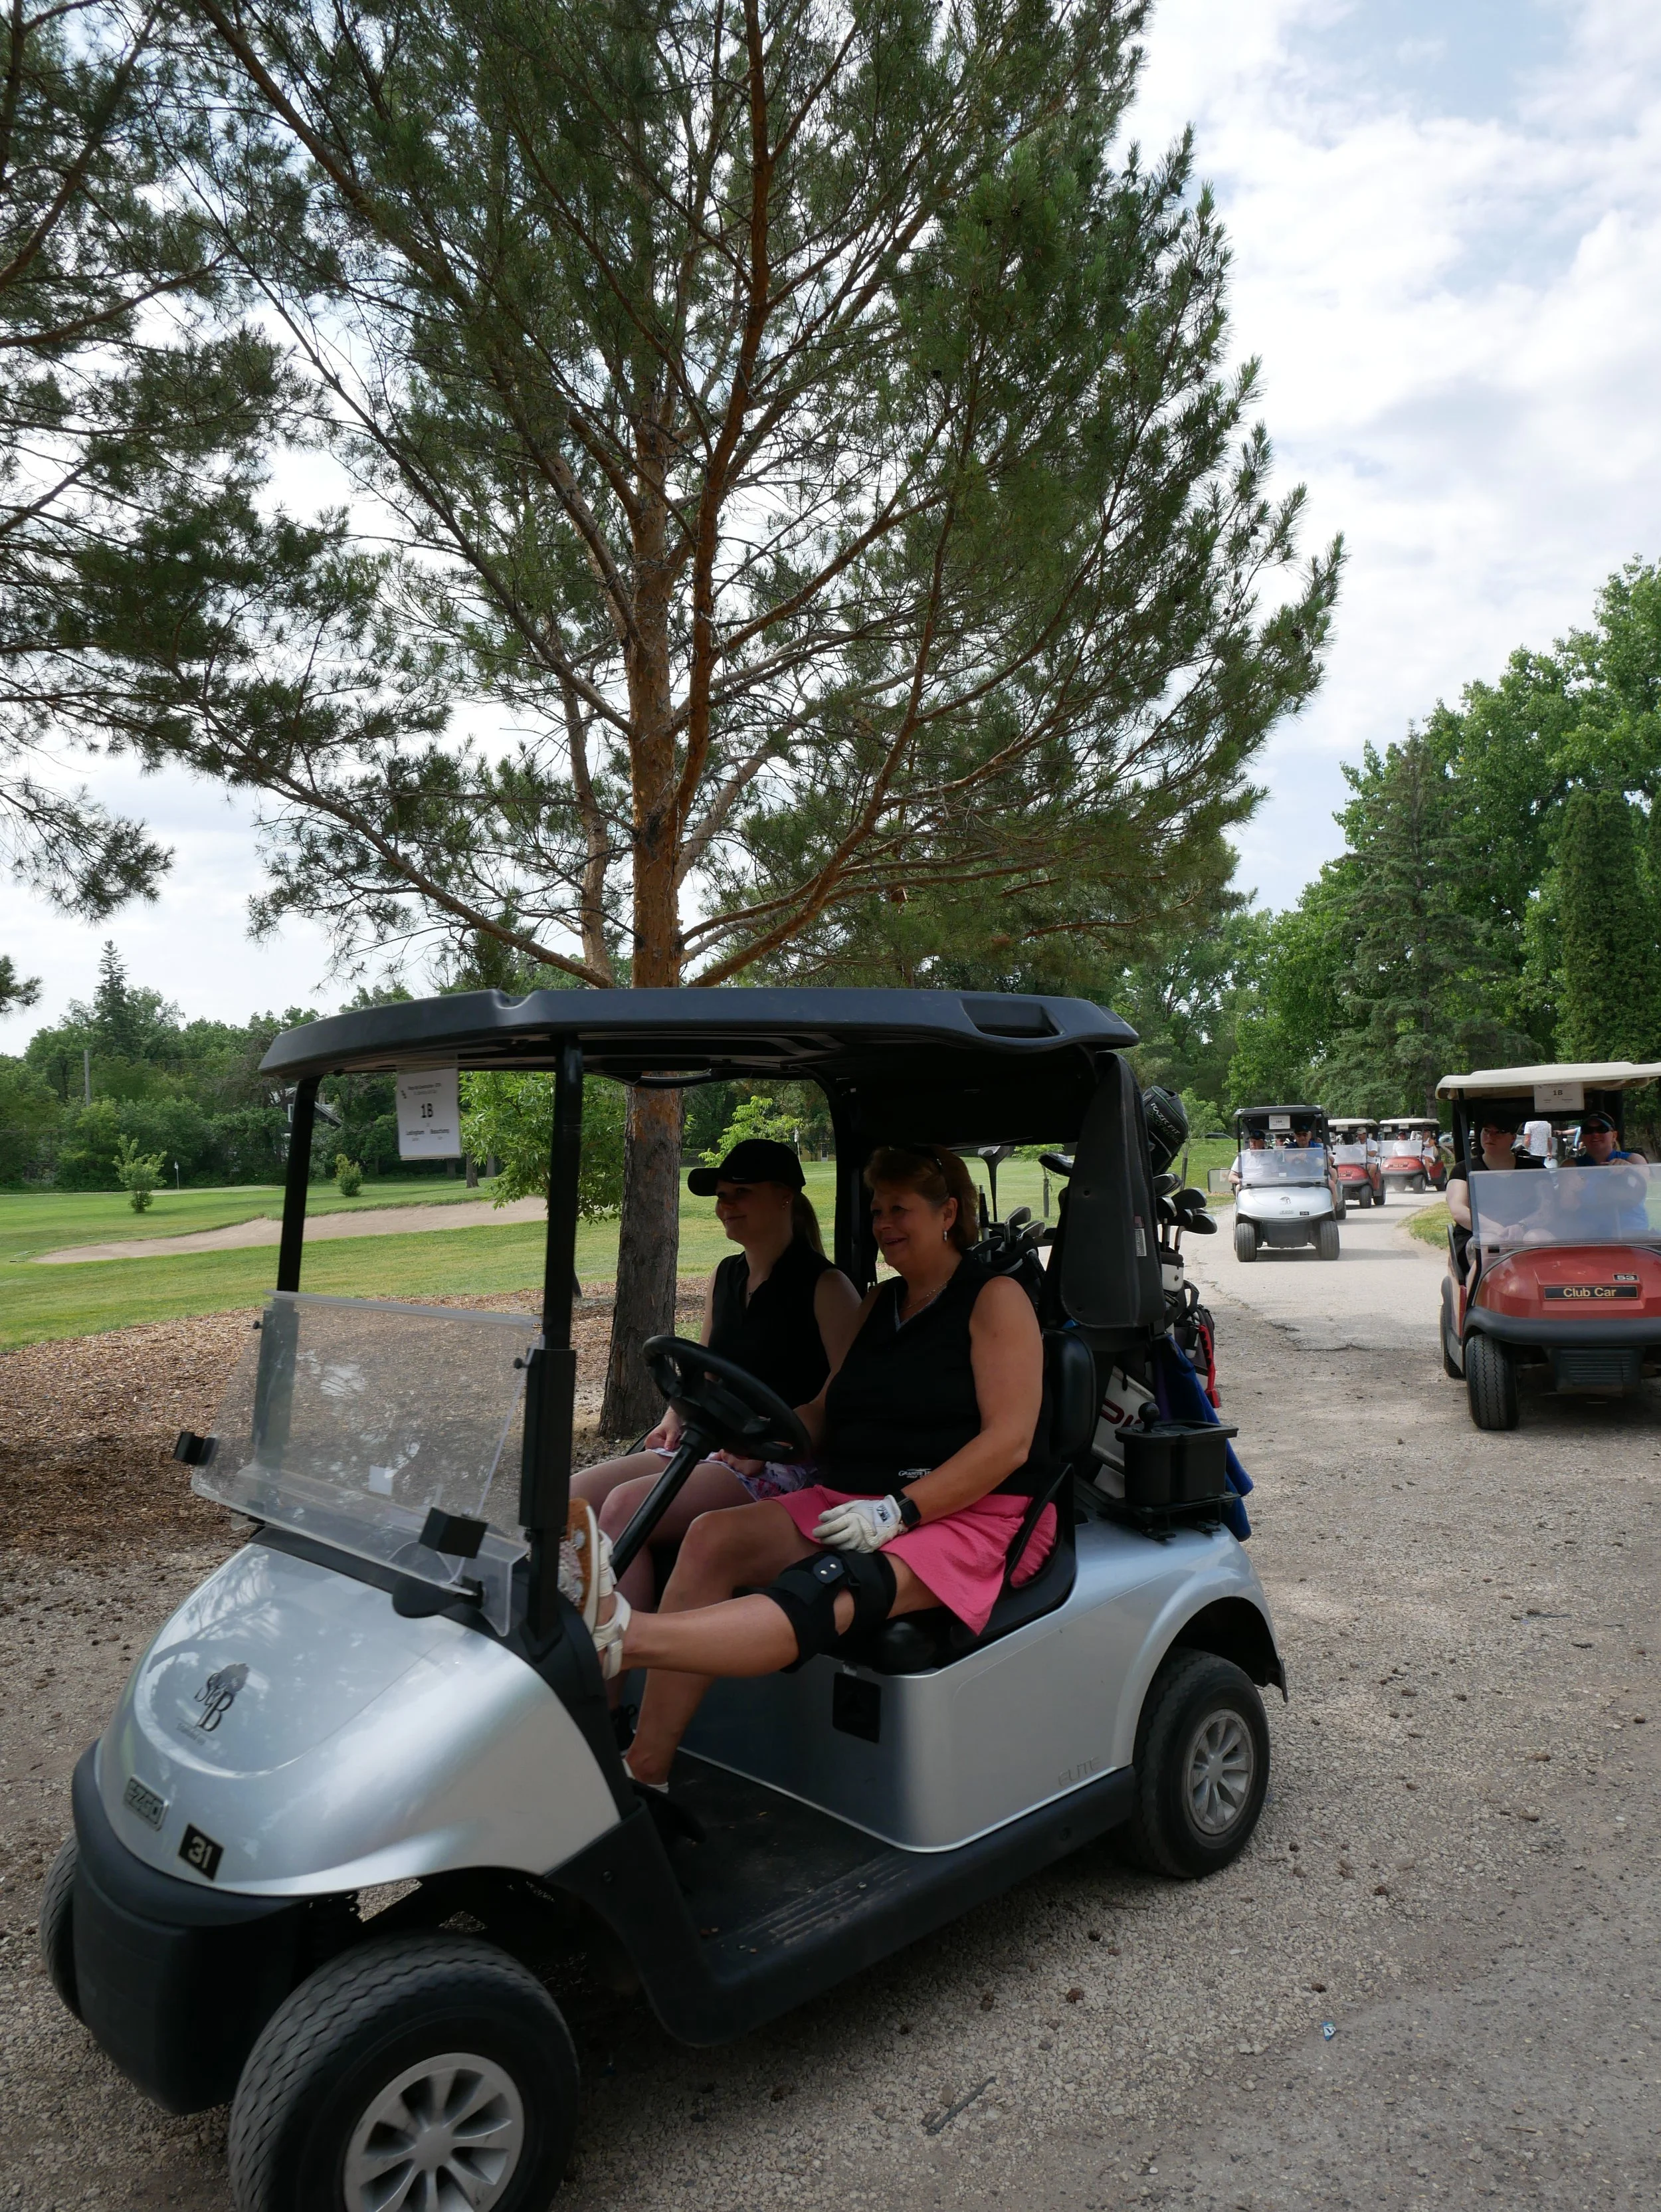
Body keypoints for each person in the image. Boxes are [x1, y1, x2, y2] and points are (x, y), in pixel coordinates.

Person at [560, 1142, 1052, 1790]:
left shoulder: (994, 1298)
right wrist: (761, 1434)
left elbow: (1009, 1443)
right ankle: (642, 1769)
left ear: (947, 1212)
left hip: (970, 1513)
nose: (882, 1224)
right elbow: (826, 1407)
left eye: (899, 1209)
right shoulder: (881, 1304)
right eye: (876, 1210)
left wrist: (899, 1510)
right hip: (860, 1495)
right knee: (713, 1536)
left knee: (825, 1582)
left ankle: (621, 1633)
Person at [572, 1138, 861, 1615]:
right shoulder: (726, 1275)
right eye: (721, 1196)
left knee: (625, 1508)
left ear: (784, 1195)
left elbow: (847, 1389)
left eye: (740, 1193)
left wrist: (771, 1443)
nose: (725, 1207)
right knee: (576, 1496)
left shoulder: (826, 1286)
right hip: (715, 1441)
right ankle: (579, 1650)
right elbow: (703, 1363)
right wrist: (673, 1415)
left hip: (783, 1462)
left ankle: (615, 1676)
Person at [1446, 1111, 1542, 1275]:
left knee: (1540, 1240)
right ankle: (1477, 1300)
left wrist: (1523, 1226)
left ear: (1513, 1138)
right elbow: (1458, 1210)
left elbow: (1548, 1206)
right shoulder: (1463, 1169)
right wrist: (1497, 1230)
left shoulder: (1534, 1169)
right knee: (1493, 1245)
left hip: (1524, 1230)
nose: (1491, 1137)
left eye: (1499, 1132)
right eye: (1486, 1131)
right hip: (1477, 1234)